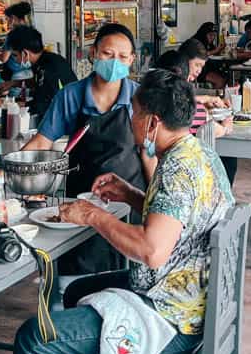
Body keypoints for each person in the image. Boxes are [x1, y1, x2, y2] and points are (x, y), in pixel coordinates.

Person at [8, 69, 234, 354]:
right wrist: (130, 194)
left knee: (36, 339)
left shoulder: (177, 170)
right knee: (77, 292)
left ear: (153, 122)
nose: (129, 119)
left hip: (172, 313)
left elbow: (152, 250)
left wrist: (93, 215)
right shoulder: (196, 152)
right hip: (191, 292)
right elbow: (178, 220)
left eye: (135, 112)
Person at [21, 23, 142, 274]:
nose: (114, 61)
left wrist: (151, 204)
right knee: (77, 273)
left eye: (122, 56)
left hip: (129, 202)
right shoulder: (72, 96)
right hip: (80, 199)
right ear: (94, 53)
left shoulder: (138, 99)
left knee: (125, 273)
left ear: (132, 60)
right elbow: (43, 142)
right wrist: (9, 171)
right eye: (108, 54)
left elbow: (150, 154)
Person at [155, 49, 236, 181]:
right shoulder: (191, 110)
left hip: (156, 170)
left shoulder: (146, 102)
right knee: (230, 157)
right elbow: (215, 129)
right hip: (186, 173)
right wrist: (227, 125)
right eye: (196, 65)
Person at [3, 25, 77, 118]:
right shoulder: (43, 60)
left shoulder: (51, 66)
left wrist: (6, 105)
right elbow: (38, 82)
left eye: (15, 55)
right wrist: (13, 83)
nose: (15, 60)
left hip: (65, 118)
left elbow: (42, 106)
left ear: (25, 53)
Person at [0, 2, 34, 80]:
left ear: (13, 18)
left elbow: (4, 58)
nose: (7, 22)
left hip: (16, 75)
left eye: (7, 19)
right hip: (30, 73)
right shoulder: (32, 31)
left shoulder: (12, 35)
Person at [188, 22, 228, 88]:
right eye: (210, 35)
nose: (212, 37)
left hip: (207, 69)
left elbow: (214, 52)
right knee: (220, 80)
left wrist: (221, 49)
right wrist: (216, 50)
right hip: (197, 71)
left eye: (214, 35)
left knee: (226, 76)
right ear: (204, 34)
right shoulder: (196, 42)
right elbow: (200, 54)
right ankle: (214, 97)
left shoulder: (208, 43)